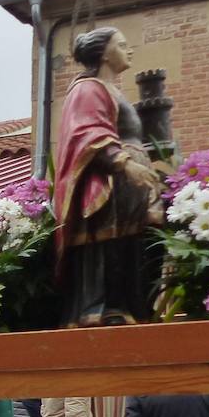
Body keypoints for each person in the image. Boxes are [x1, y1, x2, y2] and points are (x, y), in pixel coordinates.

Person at [52, 26, 165, 327]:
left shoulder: (112, 90)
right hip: (107, 184)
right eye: (122, 44)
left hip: (130, 188)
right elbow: (87, 133)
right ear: (103, 53)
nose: (130, 50)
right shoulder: (87, 88)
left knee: (131, 248)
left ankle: (130, 306)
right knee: (107, 247)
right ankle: (100, 309)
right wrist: (125, 163)